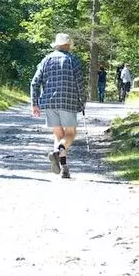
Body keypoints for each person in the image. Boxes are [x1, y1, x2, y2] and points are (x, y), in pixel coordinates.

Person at [31, 33, 85, 179]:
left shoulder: (46, 60)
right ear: (68, 45)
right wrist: (82, 101)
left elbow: (35, 82)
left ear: (56, 45)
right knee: (70, 134)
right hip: (68, 100)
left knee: (58, 135)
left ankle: (64, 168)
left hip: (49, 102)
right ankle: (59, 150)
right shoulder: (73, 60)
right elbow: (79, 83)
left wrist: (34, 103)